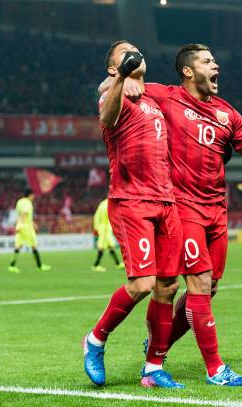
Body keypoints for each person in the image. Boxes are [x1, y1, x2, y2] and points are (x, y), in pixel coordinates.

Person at [101, 43, 242, 386]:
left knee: (210, 288)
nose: (216, 65)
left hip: (216, 210)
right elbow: (110, 90)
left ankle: (158, 345)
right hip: (181, 207)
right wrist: (119, 82)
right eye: (208, 61)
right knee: (198, 283)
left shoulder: (228, 114)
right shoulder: (166, 96)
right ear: (188, 71)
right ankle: (215, 369)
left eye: (215, 60)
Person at [82, 41, 184, 389]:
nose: (134, 52)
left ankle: (154, 369)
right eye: (124, 53)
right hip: (131, 201)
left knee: (167, 287)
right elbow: (106, 118)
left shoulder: (153, 99)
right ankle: (95, 340)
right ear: (113, 68)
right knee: (142, 284)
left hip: (166, 202)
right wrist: (119, 79)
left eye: (136, 50)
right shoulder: (114, 97)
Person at [7, 190, 51, 273]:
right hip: (26, 228)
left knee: (18, 246)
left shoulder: (19, 202)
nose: (33, 197)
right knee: (34, 245)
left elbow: (21, 214)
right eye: (33, 195)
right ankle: (40, 266)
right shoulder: (27, 203)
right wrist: (25, 224)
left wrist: (26, 223)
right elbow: (24, 213)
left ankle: (11, 266)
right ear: (30, 195)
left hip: (20, 226)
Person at [91, 198, 123, 272]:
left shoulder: (102, 204)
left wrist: (96, 227)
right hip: (105, 229)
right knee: (101, 247)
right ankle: (96, 265)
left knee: (111, 246)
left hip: (104, 228)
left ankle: (117, 264)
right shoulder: (108, 205)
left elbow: (96, 216)